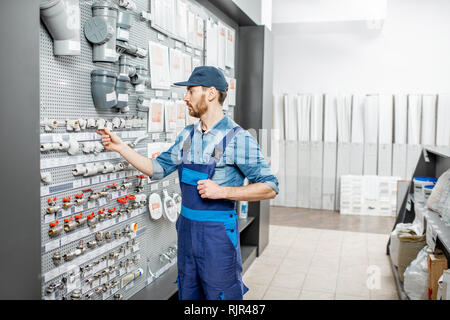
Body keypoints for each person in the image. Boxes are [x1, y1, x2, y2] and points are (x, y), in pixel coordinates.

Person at [97, 66, 279, 300]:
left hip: (218, 235)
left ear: (211, 93)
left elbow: (270, 186)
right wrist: (120, 147)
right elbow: (158, 168)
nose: (185, 97)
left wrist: (223, 191)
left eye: (191, 91)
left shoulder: (239, 139)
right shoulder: (187, 136)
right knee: (189, 294)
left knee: (220, 296)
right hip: (186, 233)